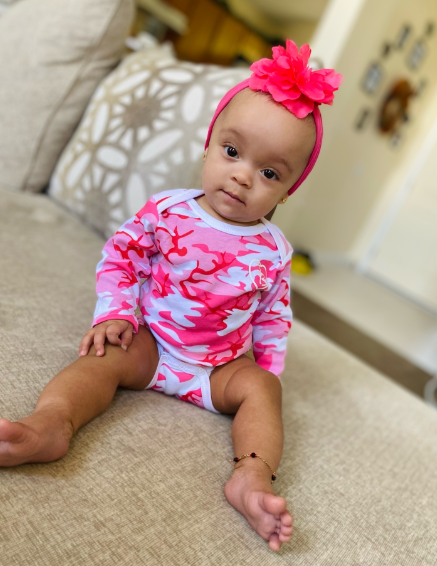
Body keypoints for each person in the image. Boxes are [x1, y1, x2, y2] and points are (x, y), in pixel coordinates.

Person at [0, 40, 341, 551]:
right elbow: (122, 258)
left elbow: (275, 315)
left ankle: (252, 476)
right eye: (232, 151)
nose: (244, 175)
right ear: (208, 146)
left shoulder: (274, 252)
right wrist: (115, 312)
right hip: (153, 342)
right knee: (104, 354)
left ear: (287, 191)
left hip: (219, 367)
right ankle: (51, 423)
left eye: (269, 173)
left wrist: (265, 369)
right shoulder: (167, 212)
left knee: (266, 392)